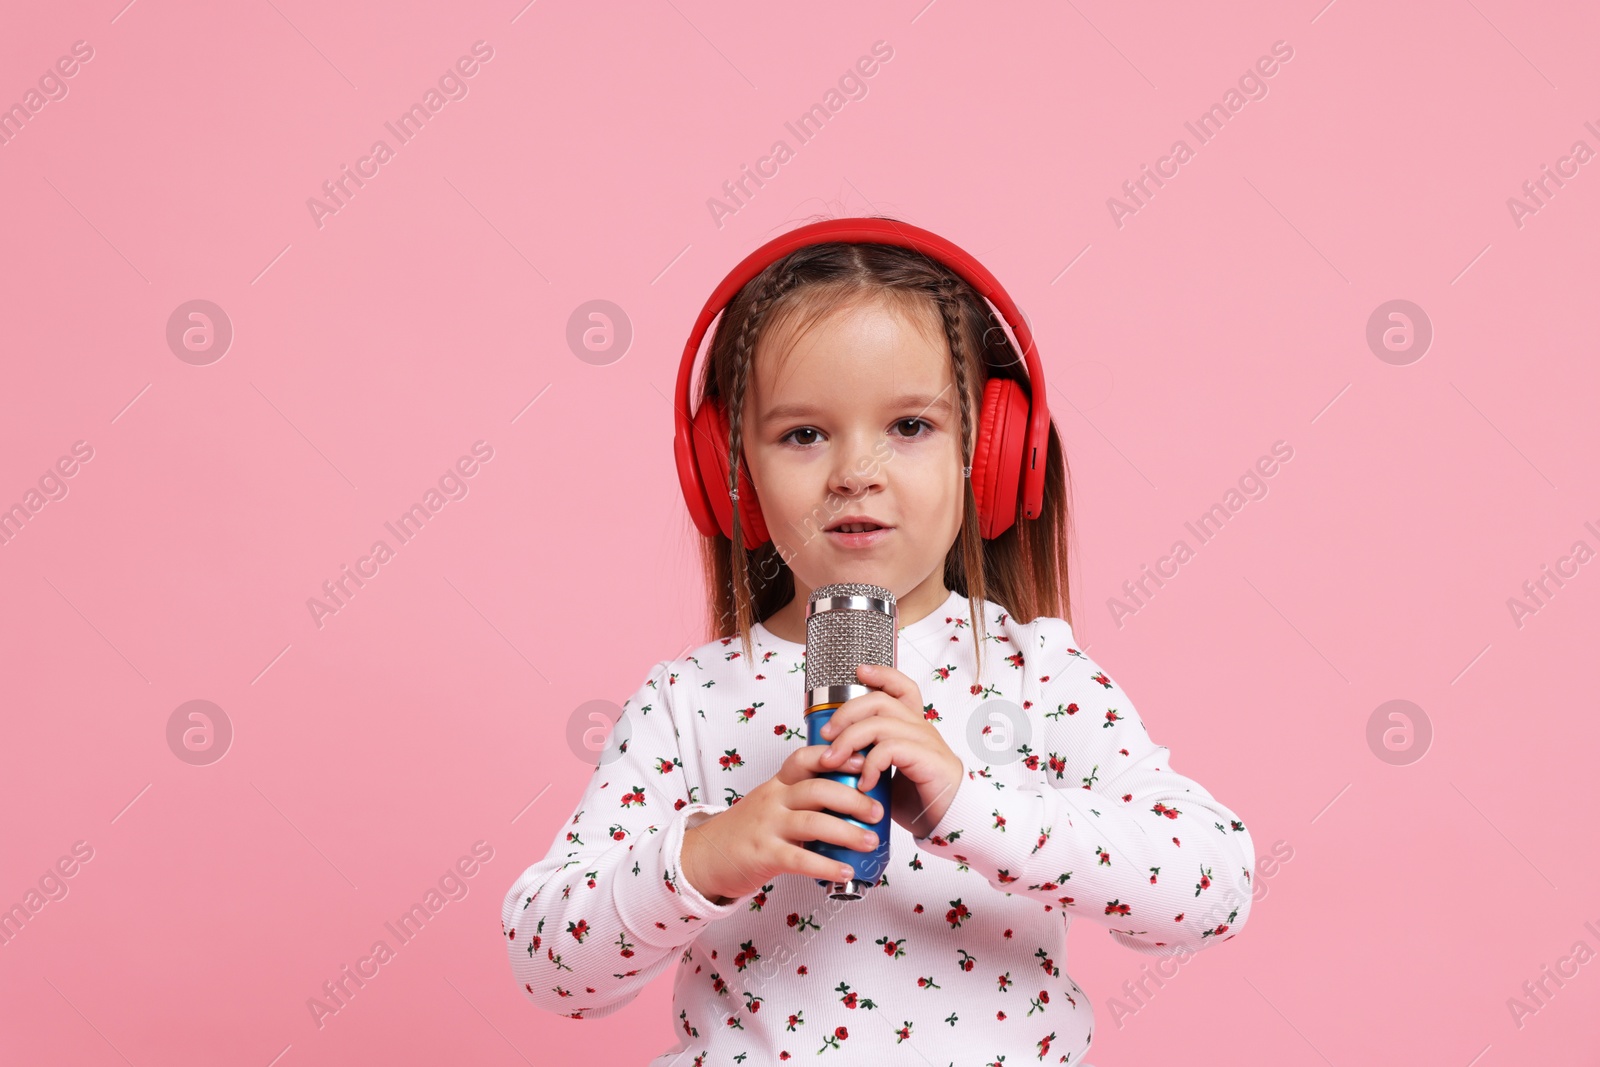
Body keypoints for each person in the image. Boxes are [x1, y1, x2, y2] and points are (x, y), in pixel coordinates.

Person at [500, 222, 1255, 1064]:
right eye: (804, 434)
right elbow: (551, 967)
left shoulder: (1035, 676)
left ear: (992, 453)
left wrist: (972, 806)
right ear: (729, 473)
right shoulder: (691, 702)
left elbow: (1213, 887)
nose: (856, 470)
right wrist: (709, 852)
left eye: (908, 425)